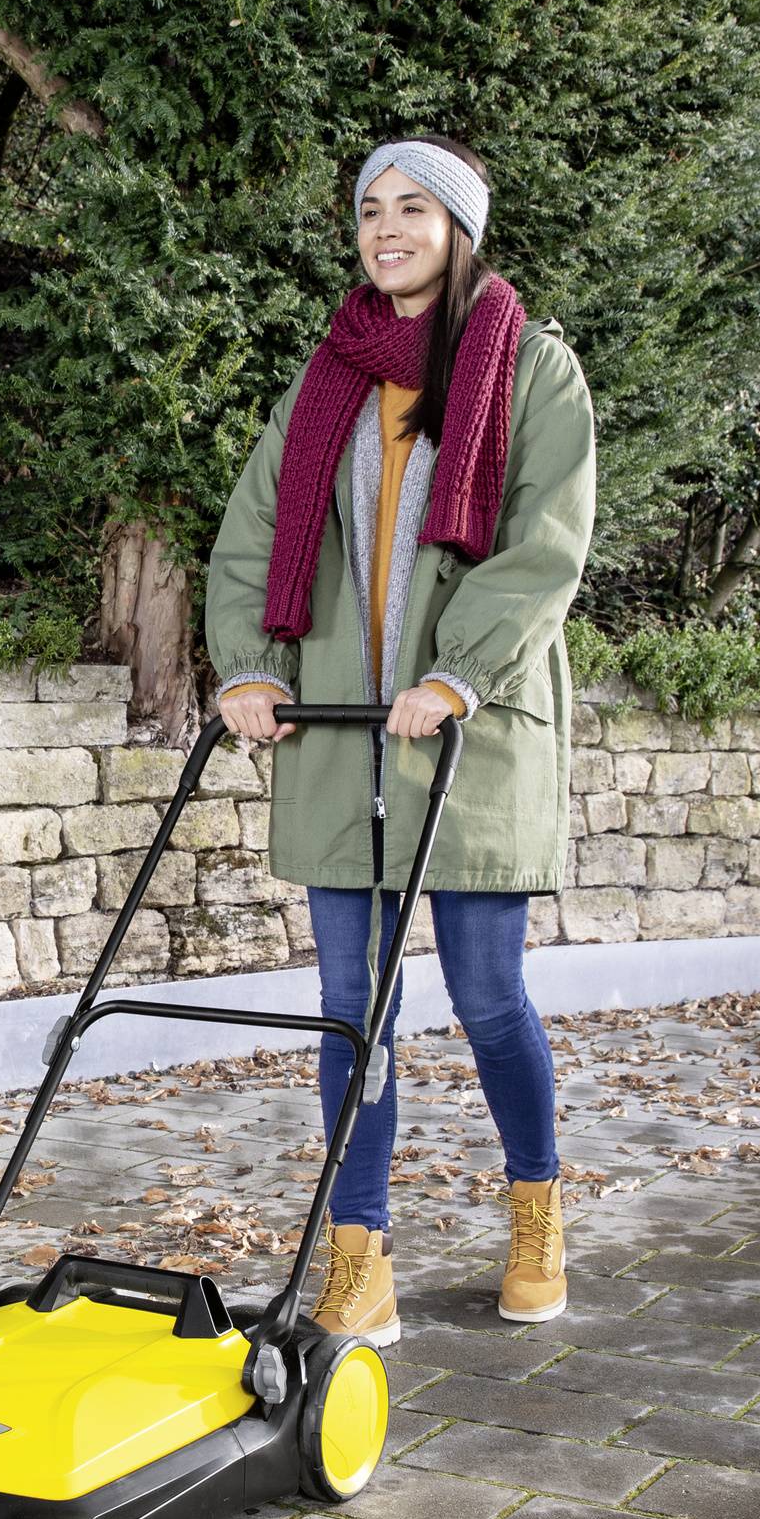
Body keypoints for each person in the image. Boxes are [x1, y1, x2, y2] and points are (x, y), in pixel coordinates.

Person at [204, 135, 597, 1348]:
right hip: (338, 729)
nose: (386, 227)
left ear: (457, 227)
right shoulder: (325, 378)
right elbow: (254, 525)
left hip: (463, 737)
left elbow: (543, 543)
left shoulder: (531, 368)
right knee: (345, 1008)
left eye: (412, 207)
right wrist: (251, 667)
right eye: (370, 209)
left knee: (486, 995)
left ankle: (534, 1206)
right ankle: (357, 1253)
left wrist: (454, 671)